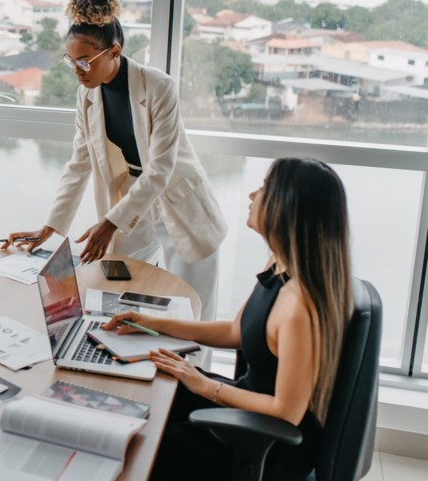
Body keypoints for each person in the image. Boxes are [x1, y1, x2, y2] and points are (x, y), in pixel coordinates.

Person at [105, 157, 354, 480]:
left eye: (264, 188)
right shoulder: (277, 268)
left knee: (144, 445)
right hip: (243, 406)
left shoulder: (299, 307)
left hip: (266, 442)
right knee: (150, 390)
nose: (253, 195)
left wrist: (205, 385)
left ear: (286, 207)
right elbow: (234, 331)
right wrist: (150, 322)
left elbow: (287, 412)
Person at [4, 0, 226, 321]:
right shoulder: (87, 95)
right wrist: (50, 227)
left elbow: (161, 170)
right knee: (115, 292)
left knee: (194, 311)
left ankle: (192, 375)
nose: (78, 70)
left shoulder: (159, 87)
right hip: (131, 203)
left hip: (177, 201)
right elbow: (79, 164)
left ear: (114, 51)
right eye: (71, 61)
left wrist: (108, 223)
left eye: (85, 61)